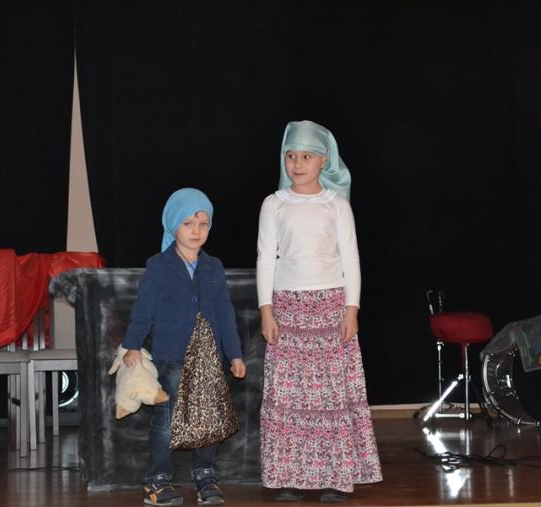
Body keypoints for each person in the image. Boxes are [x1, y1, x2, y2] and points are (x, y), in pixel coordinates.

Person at [256, 120, 383, 503]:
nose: (297, 164)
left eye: (306, 157)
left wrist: (352, 309)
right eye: (291, 156)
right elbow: (266, 258)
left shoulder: (336, 205)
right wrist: (266, 310)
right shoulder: (274, 204)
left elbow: (351, 260)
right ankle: (289, 477)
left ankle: (334, 476)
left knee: (330, 395)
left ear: (324, 160)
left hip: (330, 308)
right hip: (287, 309)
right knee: (290, 396)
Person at [123, 188, 247, 506]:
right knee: (167, 418)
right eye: (188, 223)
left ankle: (205, 475)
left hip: (208, 357)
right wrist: (132, 345)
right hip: (171, 356)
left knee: (208, 416)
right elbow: (144, 309)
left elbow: (225, 312)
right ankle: (157, 480)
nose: (196, 231)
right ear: (173, 225)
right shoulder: (159, 265)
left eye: (203, 224)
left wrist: (234, 353)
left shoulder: (213, 266)